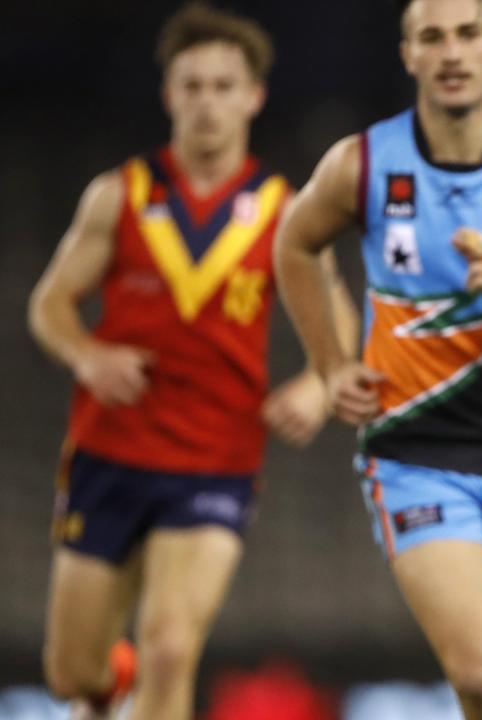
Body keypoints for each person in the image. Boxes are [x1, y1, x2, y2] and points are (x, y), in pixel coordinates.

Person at [27, 4, 353, 719]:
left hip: (215, 461)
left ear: (253, 96)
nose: (208, 102)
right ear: (169, 94)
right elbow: (48, 304)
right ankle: (104, 681)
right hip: (108, 453)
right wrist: (87, 355)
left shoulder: (282, 213)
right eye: (193, 85)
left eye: (223, 86)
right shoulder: (119, 195)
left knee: (172, 645)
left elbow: (338, 317)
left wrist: (318, 383)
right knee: (70, 674)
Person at [272, 1, 482, 718]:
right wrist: (330, 365)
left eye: (467, 34)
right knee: (476, 677)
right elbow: (293, 244)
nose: (451, 52)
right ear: (407, 55)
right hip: (415, 453)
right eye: (431, 37)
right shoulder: (364, 163)